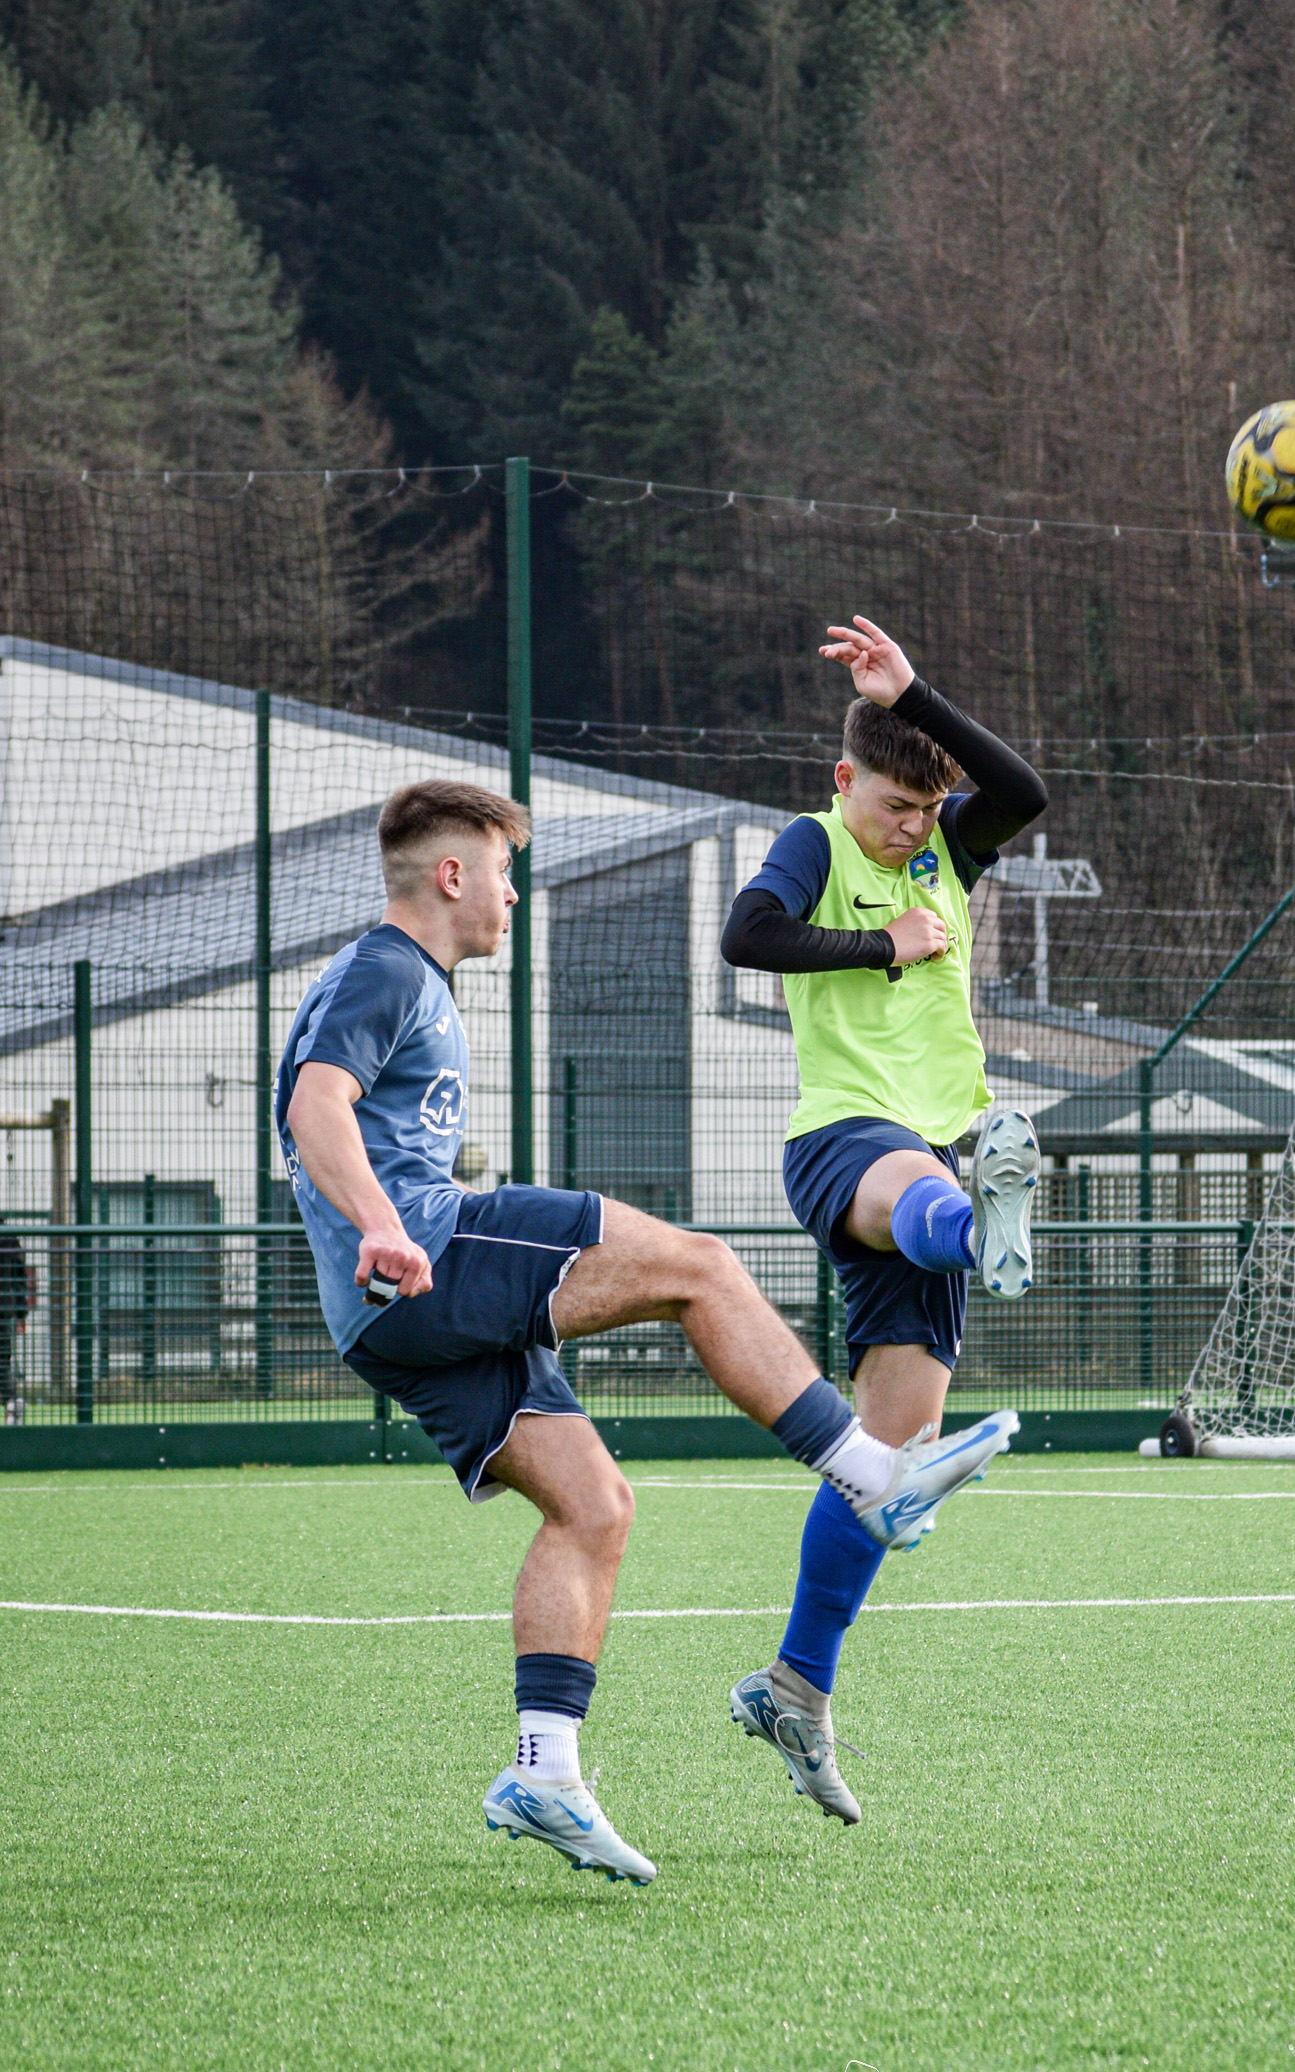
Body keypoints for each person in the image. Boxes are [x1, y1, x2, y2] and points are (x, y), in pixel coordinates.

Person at [276, 779, 1019, 1886]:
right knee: (698, 1268)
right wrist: (384, 1224)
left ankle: (544, 1770)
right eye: (503, 872)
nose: (512, 894)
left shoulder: (407, 981)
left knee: (594, 1506)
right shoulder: (386, 968)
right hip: (424, 1251)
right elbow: (314, 1106)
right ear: (451, 875)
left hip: (380, 1318)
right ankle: (871, 1476)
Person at [719, 617, 1048, 1824]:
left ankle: (794, 1688)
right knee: (916, 1180)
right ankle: (978, 1230)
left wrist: (915, 691)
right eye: (895, 803)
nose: (912, 825)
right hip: (841, 1141)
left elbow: (1022, 791)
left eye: (926, 808)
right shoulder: (814, 842)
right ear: (843, 778)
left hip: (936, 1150)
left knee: (888, 1464)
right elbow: (745, 935)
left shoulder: (945, 852)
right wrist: (884, 945)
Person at [0, 1232, 28, 1423]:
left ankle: (12, 1401)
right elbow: (19, 1280)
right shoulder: (9, 1237)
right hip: (3, 1306)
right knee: (2, 1359)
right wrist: (20, 1313)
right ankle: (12, 1401)